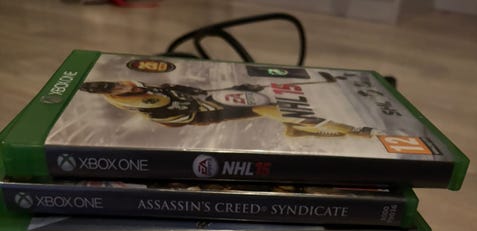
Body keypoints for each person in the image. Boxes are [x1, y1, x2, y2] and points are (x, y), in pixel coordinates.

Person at [80, 80, 374, 137]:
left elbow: (178, 91)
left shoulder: (138, 89)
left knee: (271, 107)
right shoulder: (141, 103)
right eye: (114, 89)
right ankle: (348, 130)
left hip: (205, 105)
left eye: (115, 85)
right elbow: (176, 110)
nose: (120, 87)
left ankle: (298, 127)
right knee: (271, 109)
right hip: (204, 112)